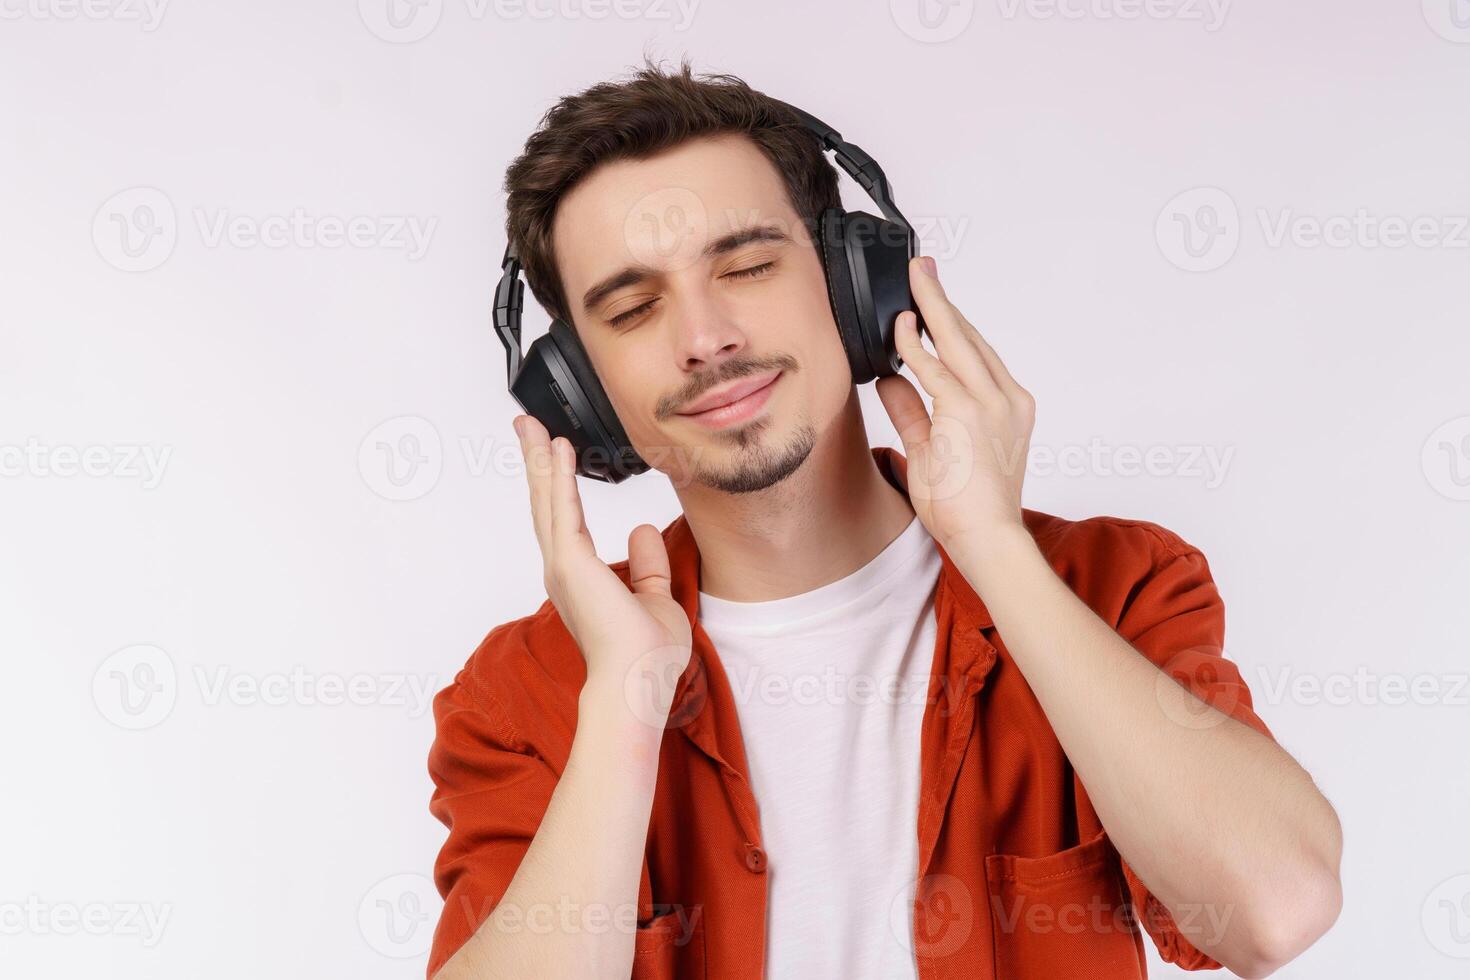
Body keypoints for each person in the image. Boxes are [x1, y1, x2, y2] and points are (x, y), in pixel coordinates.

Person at [425, 59, 1342, 980]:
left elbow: (1275, 910)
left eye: (746, 265)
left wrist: (995, 552)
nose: (705, 338)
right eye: (633, 308)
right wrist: (623, 701)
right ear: (579, 395)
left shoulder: (1112, 586)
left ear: (855, 286)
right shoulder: (526, 695)